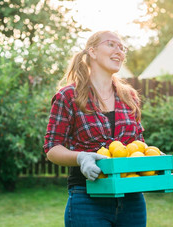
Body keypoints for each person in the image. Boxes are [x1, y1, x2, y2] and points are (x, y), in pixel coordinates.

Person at [43, 30, 146, 226]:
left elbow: (139, 142)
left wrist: (151, 157)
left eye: (122, 48)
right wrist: (81, 157)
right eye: (111, 45)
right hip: (87, 198)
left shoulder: (129, 97)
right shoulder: (68, 96)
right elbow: (52, 148)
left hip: (131, 199)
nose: (119, 51)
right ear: (92, 51)